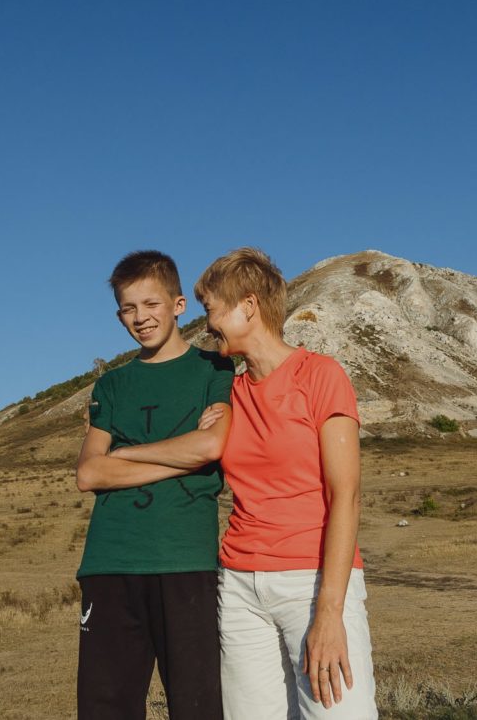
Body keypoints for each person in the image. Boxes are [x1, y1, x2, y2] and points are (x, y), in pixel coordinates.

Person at [115, 247, 377, 719]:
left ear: (248, 307)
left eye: (212, 309)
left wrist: (329, 612)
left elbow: (347, 497)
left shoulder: (321, 376)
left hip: (311, 581)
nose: (207, 324)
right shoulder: (229, 395)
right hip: (239, 587)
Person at [74, 250, 233, 720]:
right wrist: (182, 456)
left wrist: (125, 454)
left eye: (151, 304)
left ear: (179, 305)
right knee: (106, 707)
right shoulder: (111, 386)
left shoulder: (215, 369)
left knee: (199, 705)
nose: (140, 318)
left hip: (187, 561)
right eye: (128, 308)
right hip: (110, 563)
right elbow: (89, 474)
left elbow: (211, 446)